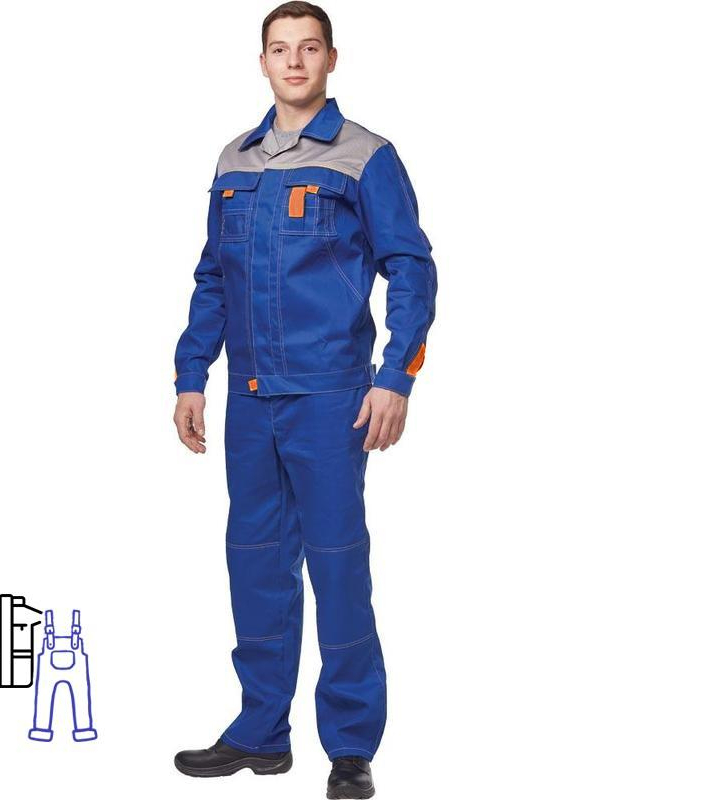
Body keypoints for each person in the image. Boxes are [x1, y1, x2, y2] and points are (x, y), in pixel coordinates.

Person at [171, 3, 437, 797]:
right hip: (250, 401)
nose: (294, 61)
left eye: (308, 48)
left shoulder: (365, 155)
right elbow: (213, 278)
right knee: (254, 565)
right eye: (280, 49)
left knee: (336, 565)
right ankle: (261, 732)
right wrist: (191, 374)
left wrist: (395, 376)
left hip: (331, 398)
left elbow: (412, 268)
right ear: (262, 62)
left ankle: (350, 747)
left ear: (330, 59)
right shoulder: (235, 159)